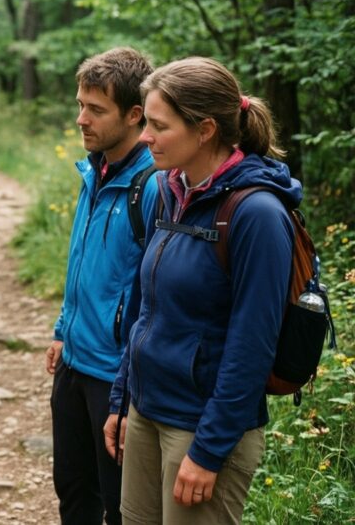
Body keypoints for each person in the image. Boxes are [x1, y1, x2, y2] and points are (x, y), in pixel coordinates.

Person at [103, 56, 298, 524]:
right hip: (148, 412)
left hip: (201, 429)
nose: (145, 136)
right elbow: (145, 307)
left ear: (205, 129)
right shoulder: (169, 190)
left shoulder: (258, 215)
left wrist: (209, 451)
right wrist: (123, 397)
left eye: (158, 125)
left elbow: (252, 345)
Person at [45, 47, 156, 525]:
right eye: (80, 104)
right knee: (73, 493)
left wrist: (130, 391)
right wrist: (61, 329)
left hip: (115, 376)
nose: (80, 119)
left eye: (95, 109)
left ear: (135, 115)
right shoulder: (94, 169)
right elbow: (83, 264)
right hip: (74, 363)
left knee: (118, 505)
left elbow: (155, 294)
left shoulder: (152, 186)